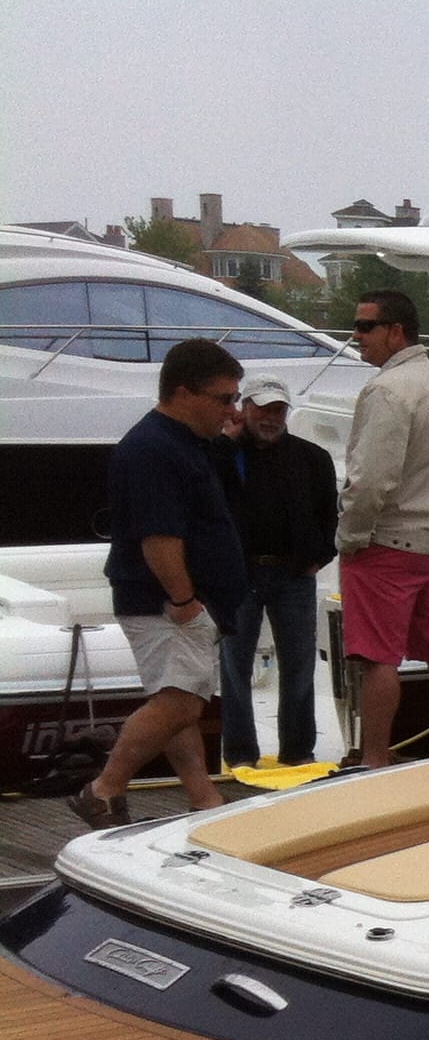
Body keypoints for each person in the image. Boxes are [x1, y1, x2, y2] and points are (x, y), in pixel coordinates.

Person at [73, 338, 249, 827]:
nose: (232, 409)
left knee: (177, 699)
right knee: (181, 702)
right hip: (164, 601)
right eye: (224, 398)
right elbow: (159, 537)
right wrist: (185, 600)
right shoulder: (154, 449)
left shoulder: (185, 443)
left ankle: (203, 797)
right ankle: (104, 789)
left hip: (174, 599)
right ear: (183, 393)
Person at [338, 288, 429, 769]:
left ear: (396, 332)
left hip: (388, 546)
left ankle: (375, 760)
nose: (356, 336)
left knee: (379, 659)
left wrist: (351, 538)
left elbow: (371, 479)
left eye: (365, 327)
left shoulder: (387, 391)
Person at [215, 376, 338, 770]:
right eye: (263, 408)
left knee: (300, 665)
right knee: (234, 667)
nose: (270, 417)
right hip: (238, 576)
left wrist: (319, 557)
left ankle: (298, 751)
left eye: (278, 410)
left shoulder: (313, 458)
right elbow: (204, 496)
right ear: (244, 408)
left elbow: (329, 516)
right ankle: (240, 754)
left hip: (294, 575)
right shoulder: (224, 454)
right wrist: (225, 442)